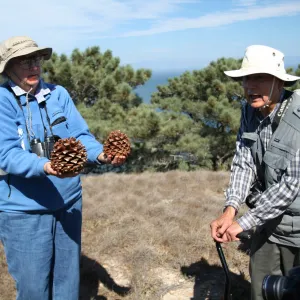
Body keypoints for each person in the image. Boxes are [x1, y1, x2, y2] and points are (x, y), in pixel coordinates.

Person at [0, 36, 126, 300]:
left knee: (67, 283)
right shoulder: (3, 101)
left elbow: (80, 135)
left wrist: (102, 155)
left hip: (68, 204)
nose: (33, 66)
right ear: (8, 67)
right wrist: (47, 166)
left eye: (36, 60)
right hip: (25, 212)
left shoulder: (59, 94)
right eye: (24, 62)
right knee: (34, 288)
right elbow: (7, 154)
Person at [210, 45, 300, 300]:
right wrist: (230, 210)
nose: (250, 86)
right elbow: (243, 162)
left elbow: (292, 184)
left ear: (279, 82)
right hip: (268, 224)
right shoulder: (249, 112)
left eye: (259, 78)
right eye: (246, 78)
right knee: (262, 291)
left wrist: (243, 223)